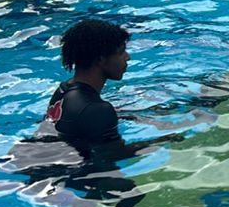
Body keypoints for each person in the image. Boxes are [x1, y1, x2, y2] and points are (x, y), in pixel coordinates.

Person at [42, 18, 166, 166]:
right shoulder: (96, 109)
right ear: (100, 59)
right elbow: (116, 155)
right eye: (121, 52)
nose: (128, 57)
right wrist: (163, 139)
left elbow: (79, 122)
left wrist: (128, 115)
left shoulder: (64, 89)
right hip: (75, 173)